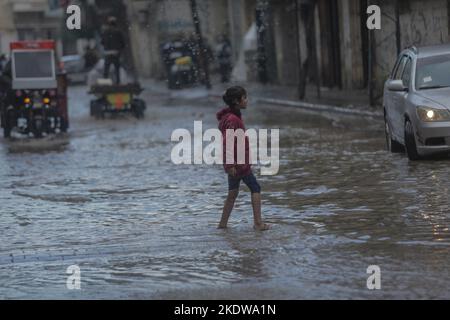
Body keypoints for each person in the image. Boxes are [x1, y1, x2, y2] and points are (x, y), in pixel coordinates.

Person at [216, 86, 270, 231]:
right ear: (236, 101)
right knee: (255, 188)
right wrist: (231, 164)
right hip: (239, 163)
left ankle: (222, 224)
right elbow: (228, 141)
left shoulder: (232, 117)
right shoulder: (232, 119)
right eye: (244, 98)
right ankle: (258, 223)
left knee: (232, 193)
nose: (247, 100)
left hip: (236, 163)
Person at [100, 16, 125, 84]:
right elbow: (122, 43)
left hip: (108, 53)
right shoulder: (118, 32)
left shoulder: (105, 32)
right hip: (116, 53)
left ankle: (105, 83)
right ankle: (118, 82)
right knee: (117, 69)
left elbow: (102, 42)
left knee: (106, 69)